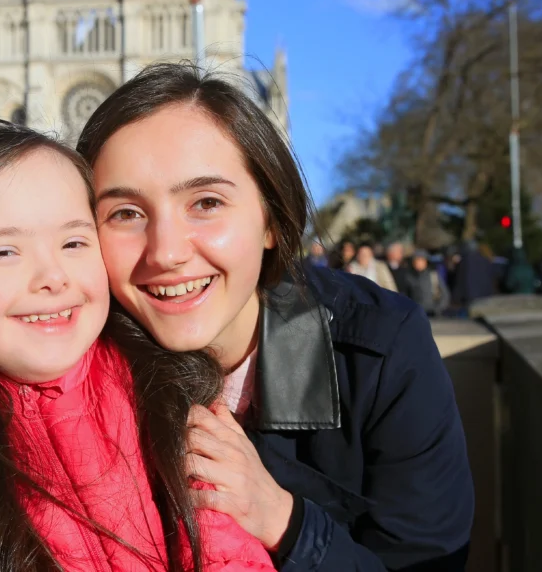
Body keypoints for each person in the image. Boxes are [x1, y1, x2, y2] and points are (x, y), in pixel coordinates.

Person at [78, 63, 473, 571]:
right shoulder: (67, 368)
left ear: (271, 220)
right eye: (125, 214)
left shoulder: (379, 350)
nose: (167, 252)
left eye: (206, 202)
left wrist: (285, 520)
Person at [0, 121, 275, 571]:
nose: (52, 276)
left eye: (73, 242)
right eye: (5, 251)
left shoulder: (167, 384)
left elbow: (228, 551)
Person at [403, 250, 451, 317]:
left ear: (426, 262)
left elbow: (445, 295)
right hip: (415, 314)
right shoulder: (408, 277)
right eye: (416, 260)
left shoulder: (433, 275)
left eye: (421, 260)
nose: (418, 263)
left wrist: (437, 309)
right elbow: (405, 296)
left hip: (433, 314)